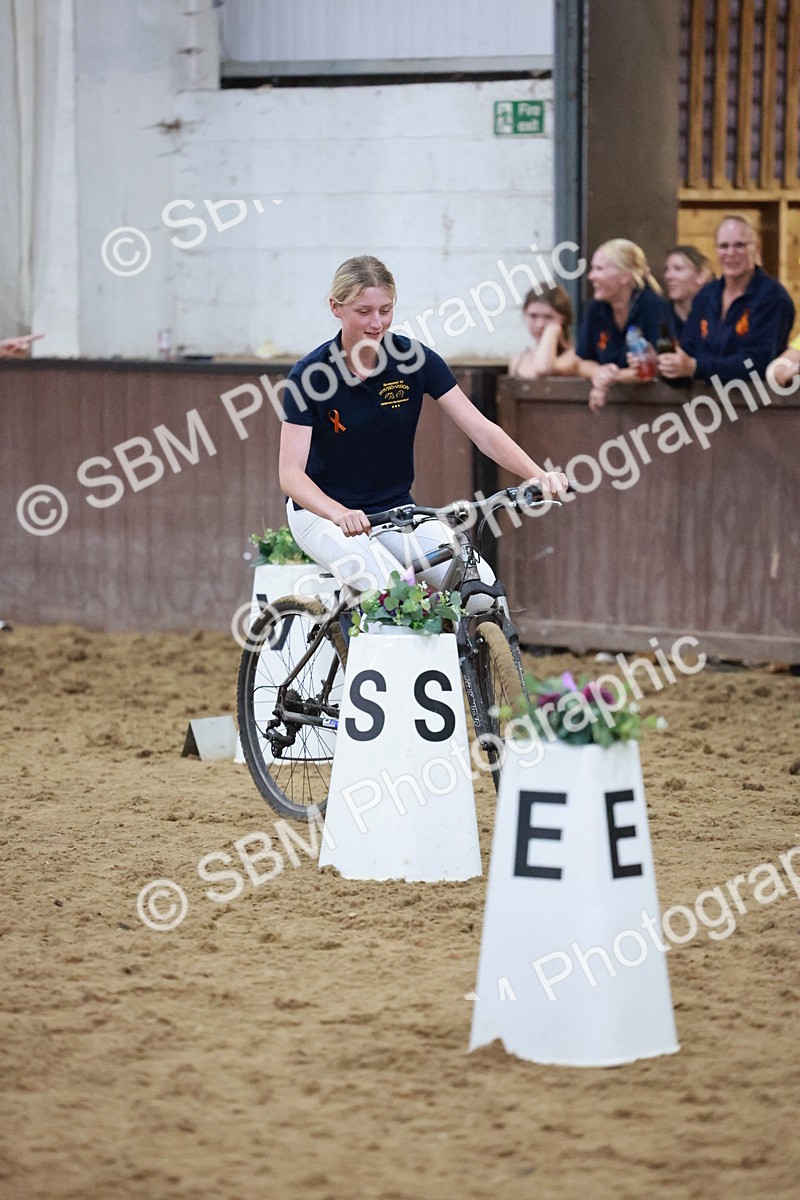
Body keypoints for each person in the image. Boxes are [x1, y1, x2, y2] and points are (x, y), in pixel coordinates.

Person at [278, 255, 568, 602]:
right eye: (363, 311)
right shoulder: (309, 375)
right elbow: (291, 475)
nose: (376, 323)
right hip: (322, 514)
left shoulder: (414, 360)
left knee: (480, 590)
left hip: (394, 510)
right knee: (395, 594)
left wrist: (537, 474)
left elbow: (482, 430)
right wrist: (339, 513)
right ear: (335, 308)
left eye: (385, 310)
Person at [658, 215, 795, 384]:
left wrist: (696, 367)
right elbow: (688, 349)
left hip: (757, 404)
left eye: (740, 245)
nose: (731, 253)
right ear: (716, 250)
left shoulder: (772, 297)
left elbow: (758, 363)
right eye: (724, 246)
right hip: (703, 404)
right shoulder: (706, 295)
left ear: (757, 248)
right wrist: (666, 364)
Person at [575, 239, 675, 412]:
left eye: (599, 269)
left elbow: (663, 363)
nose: (591, 276)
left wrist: (612, 377)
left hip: (654, 410)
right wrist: (599, 373)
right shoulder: (595, 308)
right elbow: (582, 360)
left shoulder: (655, 307)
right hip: (610, 412)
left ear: (625, 276)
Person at [508, 285, 579, 379]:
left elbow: (543, 368)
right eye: (533, 316)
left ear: (563, 319)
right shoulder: (519, 360)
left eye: (548, 317)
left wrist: (552, 331)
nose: (539, 324)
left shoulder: (575, 357)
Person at [662, 245, 713, 337]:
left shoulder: (714, 313)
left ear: (700, 275)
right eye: (666, 269)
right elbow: (665, 348)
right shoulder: (662, 315)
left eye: (678, 269)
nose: (668, 276)